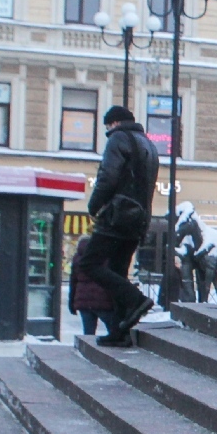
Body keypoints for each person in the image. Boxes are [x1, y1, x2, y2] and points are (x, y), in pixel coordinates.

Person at [74, 105, 160, 347]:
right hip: (138, 219)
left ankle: (136, 299)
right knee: (117, 270)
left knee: (90, 263)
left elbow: (108, 177)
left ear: (113, 124)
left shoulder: (118, 140)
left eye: (107, 127)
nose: (107, 132)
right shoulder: (148, 145)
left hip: (117, 216)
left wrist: (94, 205)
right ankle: (120, 329)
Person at [67, 234, 115, 337]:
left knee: (88, 334)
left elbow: (73, 282)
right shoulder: (104, 255)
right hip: (103, 300)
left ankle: (89, 351)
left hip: (83, 301)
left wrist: (71, 303)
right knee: (114, 330)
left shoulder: (77, 258)